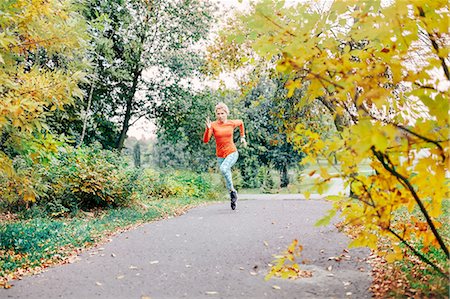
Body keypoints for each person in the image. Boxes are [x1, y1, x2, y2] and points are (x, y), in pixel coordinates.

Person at [203, 102, 247, 210]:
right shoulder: (213, 125)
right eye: (218, 114)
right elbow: (206, 140)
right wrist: (208, 129)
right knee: (226, 175)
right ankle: (232, 192)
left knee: (223, 168)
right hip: (220, 155)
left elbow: (241, 123)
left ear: (226, 113)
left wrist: (243, 137)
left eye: (222, 113)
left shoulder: (231, 123)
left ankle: (232, 192)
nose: (220, 116)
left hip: (232, 152)